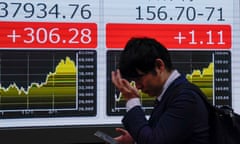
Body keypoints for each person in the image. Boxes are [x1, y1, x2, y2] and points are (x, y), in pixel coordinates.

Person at [111, 37, 210, 144]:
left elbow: (154, 141)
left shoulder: (185, 98)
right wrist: (135, 138)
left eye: (139, 78)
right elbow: (162, 135)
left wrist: (132, 101)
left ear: (159, 66)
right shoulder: (170, 94)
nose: (138, 86)